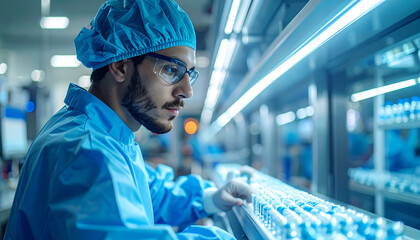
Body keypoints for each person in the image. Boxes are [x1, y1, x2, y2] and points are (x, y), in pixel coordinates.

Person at [4, 0, 253, 239]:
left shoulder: (106, 135)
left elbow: (146, 192)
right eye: (171, 70)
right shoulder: (85, 152)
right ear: (121, 67)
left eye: (189, 74)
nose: (187, 91)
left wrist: (211, 198)